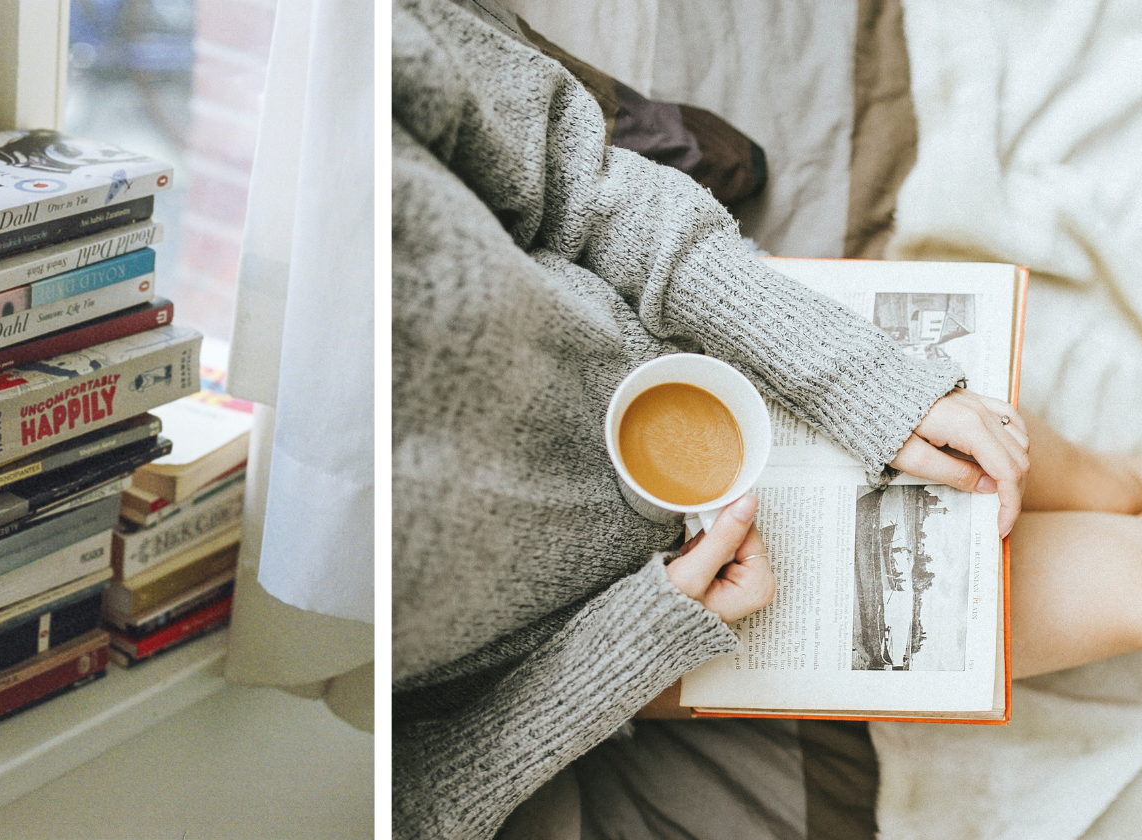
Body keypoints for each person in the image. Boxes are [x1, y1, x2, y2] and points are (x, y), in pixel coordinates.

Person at [389, 0, 1053, 838]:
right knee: (1140, 584)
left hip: (702, 358)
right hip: (600, 634)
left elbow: (571, 174)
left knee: (1022, 457)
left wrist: (860, 375)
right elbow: (410, 808)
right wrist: (632, 648)